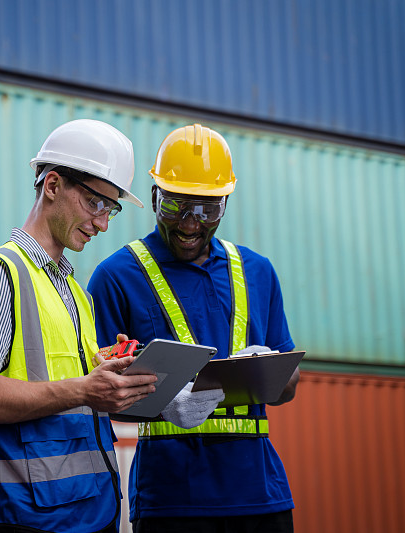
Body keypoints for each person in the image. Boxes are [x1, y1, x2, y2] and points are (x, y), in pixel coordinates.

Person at [0, 119, 159, 533]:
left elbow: (58, 384)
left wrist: (104, 368)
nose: (103, 223)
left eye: (110, 209)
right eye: (96, 203)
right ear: (53, 185)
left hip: (87, 513)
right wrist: (84, 388)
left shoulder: (75, 292)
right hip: (16, 517)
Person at [88, 124, 300, 533]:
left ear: (225, 204)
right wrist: (162, 399)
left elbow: (289, 385)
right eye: (176, 207)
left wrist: (267, 369)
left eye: (207, 211)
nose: (189, 224)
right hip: (173, 502)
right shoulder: (116, 276)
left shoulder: (258, 271)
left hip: (260, 496)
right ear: (154, 198)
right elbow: (98, 394)